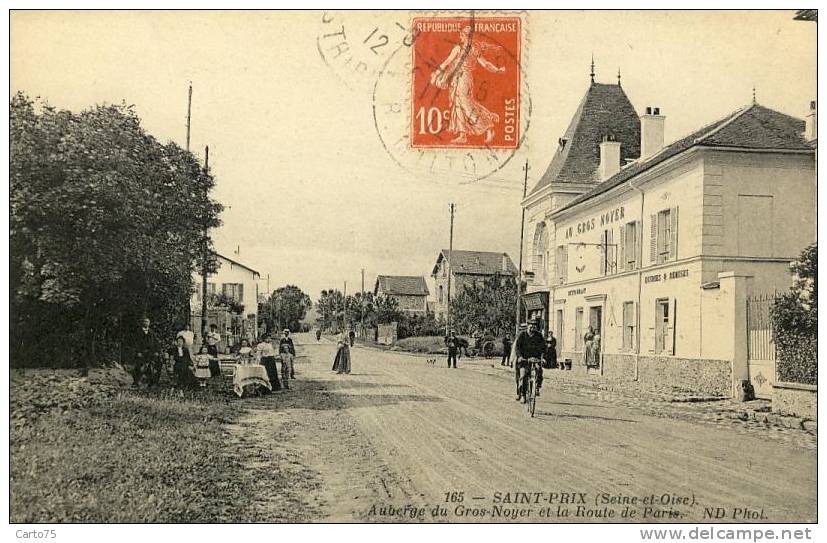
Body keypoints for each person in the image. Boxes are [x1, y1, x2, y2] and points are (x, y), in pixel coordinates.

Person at [430, 26, 506, 144]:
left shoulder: (465, 49)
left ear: (466, 36)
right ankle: (463, 134)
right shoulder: (470, 49)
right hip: (459, 78)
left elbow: (446, 63)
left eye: (462, 35)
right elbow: (485, 64)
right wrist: (497, 70)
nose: (461, 37)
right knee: (458, 104)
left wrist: (497, 70)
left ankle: (487, 125)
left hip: (464, 78)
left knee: (465, 104)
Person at [514, 319, 546, 403]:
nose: (532, 328)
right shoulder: (522, 335)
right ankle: (523, 395)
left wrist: (543, 357)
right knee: (523, 375)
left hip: (535, 358)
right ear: (528, 326)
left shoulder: (539, 336)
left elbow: (543, 347)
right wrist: (520, 357)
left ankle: (537, 387)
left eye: (534, 326)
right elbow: (517, 347)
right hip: (524, 360)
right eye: (531, 326)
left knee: (539, 369)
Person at [131, 317, 161, 387]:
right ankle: (136, 382)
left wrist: (157, 351)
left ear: (149, 323)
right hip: (141, 352)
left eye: (147, 322)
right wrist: (138, 352)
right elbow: (135, 343)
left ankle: (152, 382)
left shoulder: (151, 332)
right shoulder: (138, 332)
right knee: (138, 366)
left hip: (150, 353)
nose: (146, 323)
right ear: (142, 323)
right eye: (145, 322)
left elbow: (156, 342)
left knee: (155, 365)